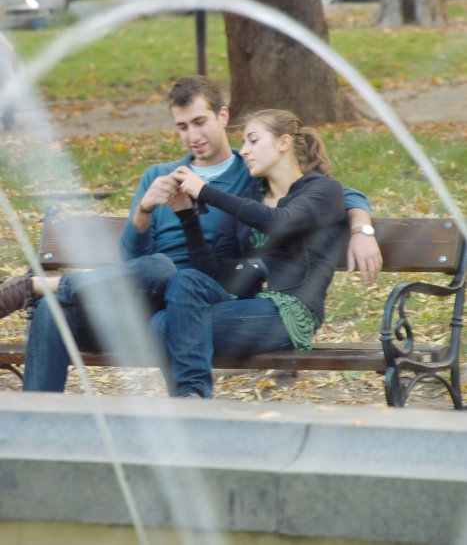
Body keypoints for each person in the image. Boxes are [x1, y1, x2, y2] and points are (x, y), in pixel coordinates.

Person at [0, 75, 382, 392]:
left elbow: (328, 193)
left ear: (222, 117)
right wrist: (146, 211)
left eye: (199, 122)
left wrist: (362, 226)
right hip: (146, 295)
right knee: (62, 308)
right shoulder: (159, 176)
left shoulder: (249, 180)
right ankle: (39, 421)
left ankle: (33, 287)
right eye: (182, 127)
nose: (192, 135)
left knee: (171, 275)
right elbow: (130, 260)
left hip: (193, 300)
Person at [151, 109, 347, 398]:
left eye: (253, 141)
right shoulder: (247, 200)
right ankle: (191, 400)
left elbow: (281, 221)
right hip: (244, 303)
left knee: (166, 327)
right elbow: (214, 272)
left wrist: (205, 191)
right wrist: (187, 217)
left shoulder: (323, 191)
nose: (243, 151)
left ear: (284, 143)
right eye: (243, 142)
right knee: (182, 285)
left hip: (289, 312)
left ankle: (188, 406)